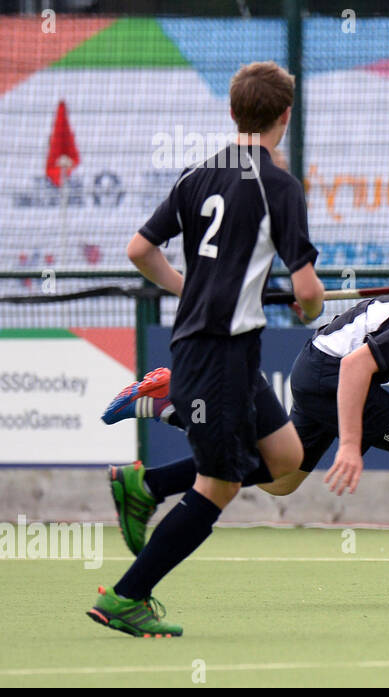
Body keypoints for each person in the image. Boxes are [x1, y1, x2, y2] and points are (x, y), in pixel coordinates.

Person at [102, 245, 389, 606]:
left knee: (280, 479)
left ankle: (161, 438)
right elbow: (356, 367)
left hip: (327, 371)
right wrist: (350, 444)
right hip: (333, 369)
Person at [88, 61, 325, 637]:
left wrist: (187, 284)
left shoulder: (198, 175)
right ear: (285, 117)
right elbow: (310, 293)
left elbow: (140, 250)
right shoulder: (280, 185)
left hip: (224, 349)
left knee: (287, 457)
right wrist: (308, 307)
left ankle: (144, 483)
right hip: (217, 353)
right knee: (217, 486)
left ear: (232, 112)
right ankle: (127, 596)